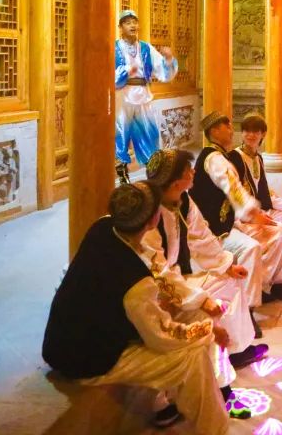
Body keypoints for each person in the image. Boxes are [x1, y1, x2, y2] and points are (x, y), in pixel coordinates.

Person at [43, 182, 246, 433]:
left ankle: (188, 401)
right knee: (192, 357)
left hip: (68, 339)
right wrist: (209, 331)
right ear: (153, 220)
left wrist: (201, 310)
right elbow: (162, 337)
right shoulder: (136, 284)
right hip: (86, 358)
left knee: (194, 312)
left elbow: (157, 271)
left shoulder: (105, 227)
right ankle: (214, 429)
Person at [144, 149, 266, 368]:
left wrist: (225, 265)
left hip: (176, 278)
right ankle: (221, 362)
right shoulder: (149, 214)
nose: (194, 172)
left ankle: (237, 349)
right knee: (208, 304)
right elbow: (157, 272)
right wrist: (200, 300)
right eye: (188, 170)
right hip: (155, 289)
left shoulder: (183, 200)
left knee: (232, 280)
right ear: (175, 182)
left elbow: (201, 236)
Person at [191, 112, 282, 307]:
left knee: (278, 231)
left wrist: (255, 215)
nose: (232, 130)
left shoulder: (223, 156)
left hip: (230, 222)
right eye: (227, 126)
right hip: (214, 230)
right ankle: (248, 306)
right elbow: (233, 188)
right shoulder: (214, 158)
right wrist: (253, 213)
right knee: (250, 247)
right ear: (214, 131)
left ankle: (269, 284)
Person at [227, 114, 282, 283]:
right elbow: (235, 192)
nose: (250, 135)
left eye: (255, 132)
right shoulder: (235, 157)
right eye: (247, 131)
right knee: (280, 228)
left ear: (263, 134)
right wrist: (254, 214)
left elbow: (263, 189)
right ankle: (273, 280)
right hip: (244, 215)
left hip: (261, 209)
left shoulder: (258, 157)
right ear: (241, 133)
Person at [114, 10, 178, 184]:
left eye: (134, 22)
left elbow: (162, 71)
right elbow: (106, 75)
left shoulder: (145, 48)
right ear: (120, 27)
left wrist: (168, 60)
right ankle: (123, 175)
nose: (132, 25)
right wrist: (127, 71)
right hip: (122, 95)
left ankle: (154, 171)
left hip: (143, 94)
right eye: (128, 22)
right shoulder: (114, 48)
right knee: (121, 134)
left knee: (150, 133)